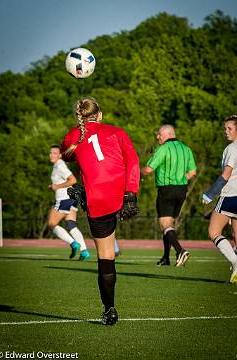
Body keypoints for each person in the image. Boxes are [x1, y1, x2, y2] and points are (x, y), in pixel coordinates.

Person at [60, 97, 140, 325]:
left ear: (80, 117)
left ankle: (110, 309)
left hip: (97, 198)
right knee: (108, 253)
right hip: (121, 194)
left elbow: (65, 153)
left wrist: (78, 147)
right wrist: (131, 194)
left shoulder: (75, 134)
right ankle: (109, 308)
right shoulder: (117, 131)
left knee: (106, 257)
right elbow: (132, 161)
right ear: (100, 114)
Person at [141, 124, 196, 267]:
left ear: (168, 134)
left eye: (159, 134)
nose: (157, 137)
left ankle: (180, 251)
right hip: (182, 189)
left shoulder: (163, 148)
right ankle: (166, 257)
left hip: (167, 190)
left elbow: (148, 169)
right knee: (169, 225)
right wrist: (180, 179)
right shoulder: (186, 149)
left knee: (165, 224)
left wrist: (137, 174)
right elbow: (192, 173)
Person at [202, 114, 237, 284]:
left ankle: (236, 262)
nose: (226, 131)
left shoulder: (232, 148)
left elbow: (226, 175)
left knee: (213, 232)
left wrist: (210, 193)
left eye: (229, 128)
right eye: (225, 128)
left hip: (230, 196)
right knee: (236, 237)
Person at [48, 145, 90, 261]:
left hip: (64, 199)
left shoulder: (59, 165)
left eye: (55, 153)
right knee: (71, 224)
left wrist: (56, 186)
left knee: (52, 223)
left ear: (60, 155)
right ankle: (84, 251)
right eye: (51, 153)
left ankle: (73, 243)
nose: (52, 155)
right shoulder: (58, 165)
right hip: (71, 198)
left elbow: (72, 180)